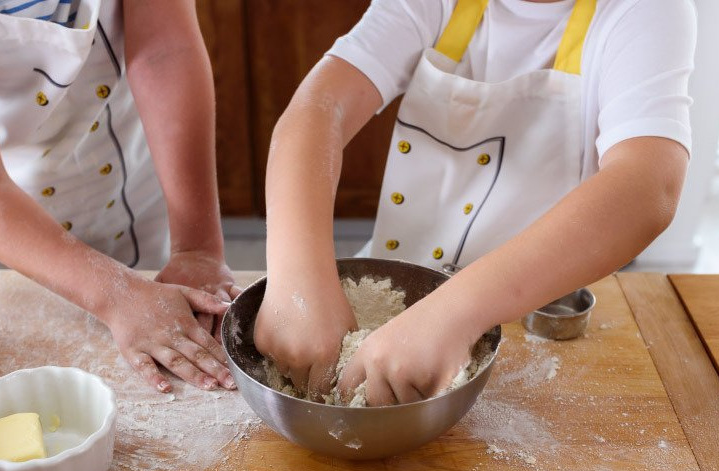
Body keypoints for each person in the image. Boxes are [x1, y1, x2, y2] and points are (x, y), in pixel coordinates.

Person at [254, 0, 696, 406]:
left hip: (534, 331)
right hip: (391, 299)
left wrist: (456, 312)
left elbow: (648, 186)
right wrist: (298, 278)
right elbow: (320, 106)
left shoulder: (646, 11)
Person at [0, 0, 240, 393]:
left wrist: (197, 248)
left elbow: (165, 52)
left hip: (131, 186)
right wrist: (115, 295)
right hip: (2, 226)